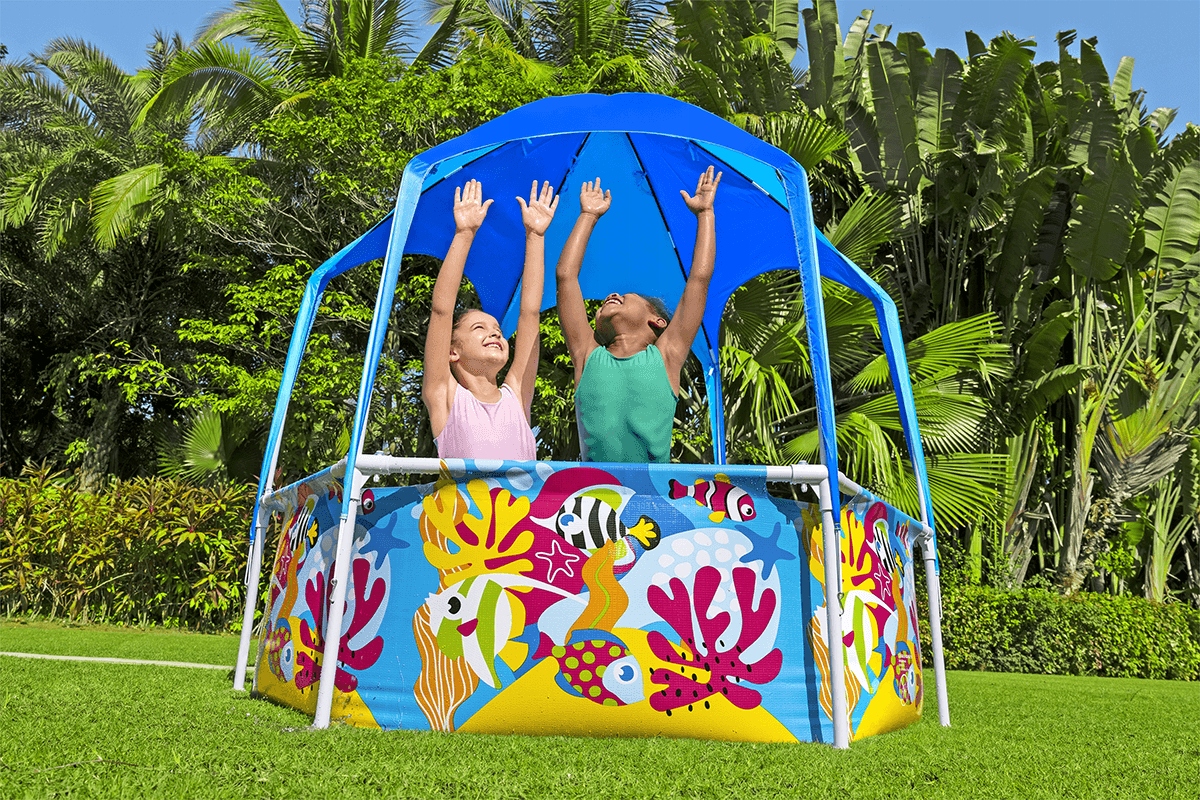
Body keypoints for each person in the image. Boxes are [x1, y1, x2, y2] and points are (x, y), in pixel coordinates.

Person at [556, 167, 721, 463]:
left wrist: (705, 213)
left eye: (625, 295)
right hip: (595, 489)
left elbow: (699, 279)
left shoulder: (667, 356)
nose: (611, 295)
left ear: (657, 321)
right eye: (607, 301)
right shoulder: (586, 354)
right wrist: (588, 215)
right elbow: (566, 276)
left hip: (652, 491)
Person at [422, 178, 559, 460]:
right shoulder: (444, 396)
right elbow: (442, 311)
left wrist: (536, 235)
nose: (495, 333)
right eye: (479, 328)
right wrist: (465, 233)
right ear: (452, 351)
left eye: (497, 329)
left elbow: (530, 313)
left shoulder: (517, 395)